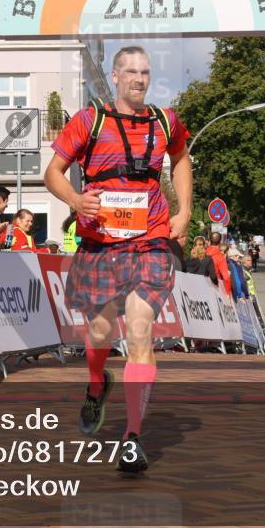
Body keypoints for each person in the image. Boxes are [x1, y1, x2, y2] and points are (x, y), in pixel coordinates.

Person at [44, 45, 192, 473]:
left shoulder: (165, 122)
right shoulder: (89, 121)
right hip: (99, 246)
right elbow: (52, 172)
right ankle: (96, 383)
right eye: (130, 71)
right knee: (99, 332)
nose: (139, 79)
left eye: (145, 72)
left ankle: (131, 438)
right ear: (114, 76)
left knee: (141, 331)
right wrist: (75, 198)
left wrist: (183, 210)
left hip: (148, 243)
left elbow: (180, 159)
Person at [205, 232, 232, 297]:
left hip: (201, 285)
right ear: (220, 242)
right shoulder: (220, 256)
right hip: (215, 286)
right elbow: (226, 277)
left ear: (209, 241)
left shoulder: (202, 253)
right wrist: (228, 292)